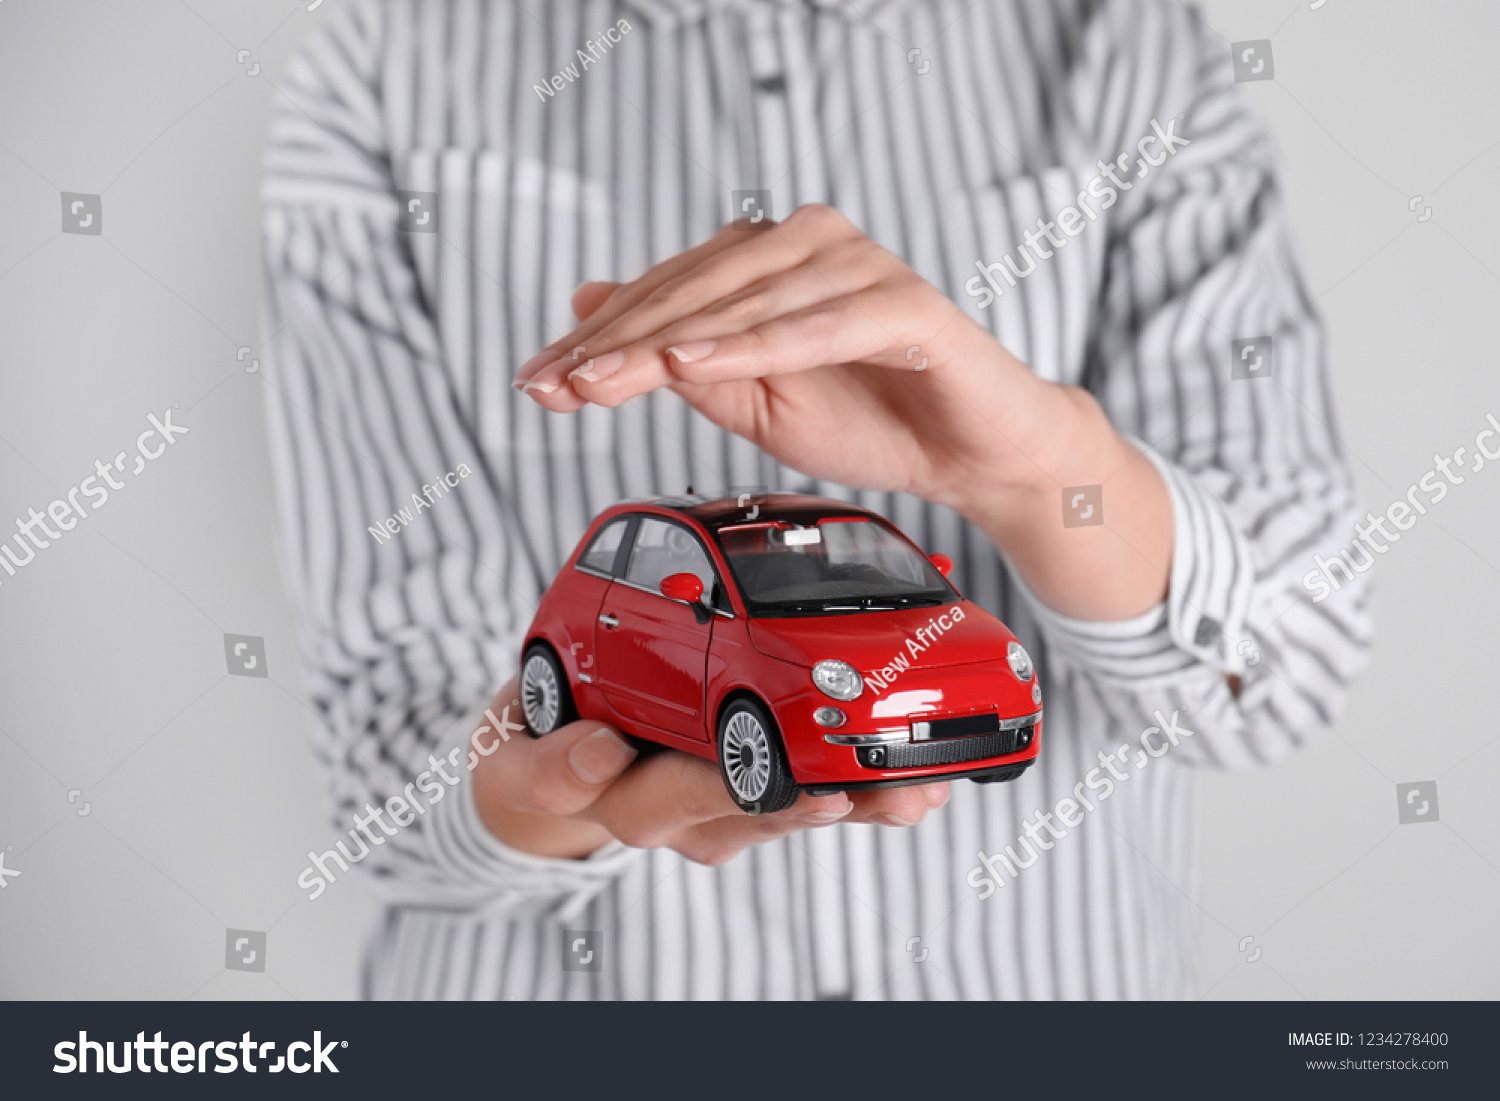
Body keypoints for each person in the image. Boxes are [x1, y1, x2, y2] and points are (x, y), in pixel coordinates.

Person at [261, 0, 1372, 999]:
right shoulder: (382, 69)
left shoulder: (1130, 50)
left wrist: (1032, 477)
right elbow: (386, 789)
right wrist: (533, 794)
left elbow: (1285, 671)